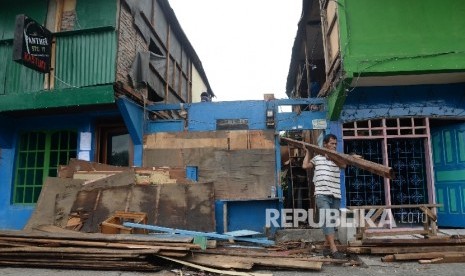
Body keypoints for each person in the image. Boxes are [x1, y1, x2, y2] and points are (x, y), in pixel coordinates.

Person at [302, 133, 347, 259]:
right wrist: (307, 152)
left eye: (335, 144)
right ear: (325, 144)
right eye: (331, 143)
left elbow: (343, 166)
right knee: (327, 219)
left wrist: (332, 158)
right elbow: (305, 166)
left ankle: (326, 247)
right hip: (322, 194)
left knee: (332, 221)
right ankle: (334, 249)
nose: (334, 146)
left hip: (336, 194)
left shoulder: (338, 158)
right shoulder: (318, 158)